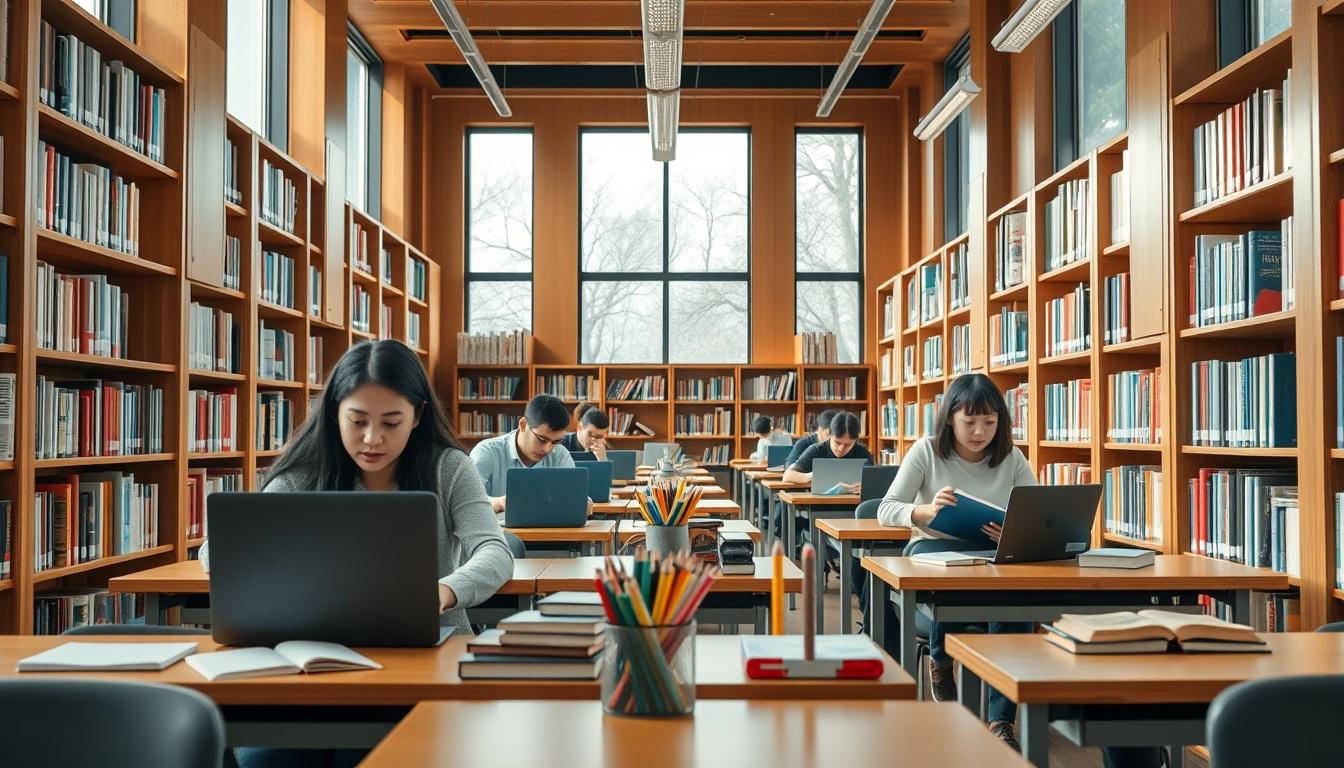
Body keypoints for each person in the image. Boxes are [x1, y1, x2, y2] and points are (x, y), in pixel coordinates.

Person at [202, 339, 514, 768]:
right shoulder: (301, 476)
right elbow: (220, 551)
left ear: (418, 416)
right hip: (310, 671)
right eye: (357, 421)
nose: (372, 439)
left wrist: (445, 590)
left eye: (391, 422)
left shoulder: (449, 468)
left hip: (428, 665)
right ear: (335, 413)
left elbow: (494, 550)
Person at [470, 393, 576, 518]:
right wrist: (497, 503)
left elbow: (573, 495)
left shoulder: (560, 454)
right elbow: (468, 499)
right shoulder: (486, 452)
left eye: (555, 442)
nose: (548, 449)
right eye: (542, 439)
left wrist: (584, 502)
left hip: (549, 532)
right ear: (523, 425)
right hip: (500, 534)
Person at [781, 411, 873, 486]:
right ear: (829, 433)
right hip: (820, 505)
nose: (841, 449)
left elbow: (875, 482)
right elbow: (787, 476)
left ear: (856, 440)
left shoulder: (862, 452)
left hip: (854, 506)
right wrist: (809, 476)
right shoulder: (816, 450)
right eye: (837, 443)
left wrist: (865, 487)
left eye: (848, 445)